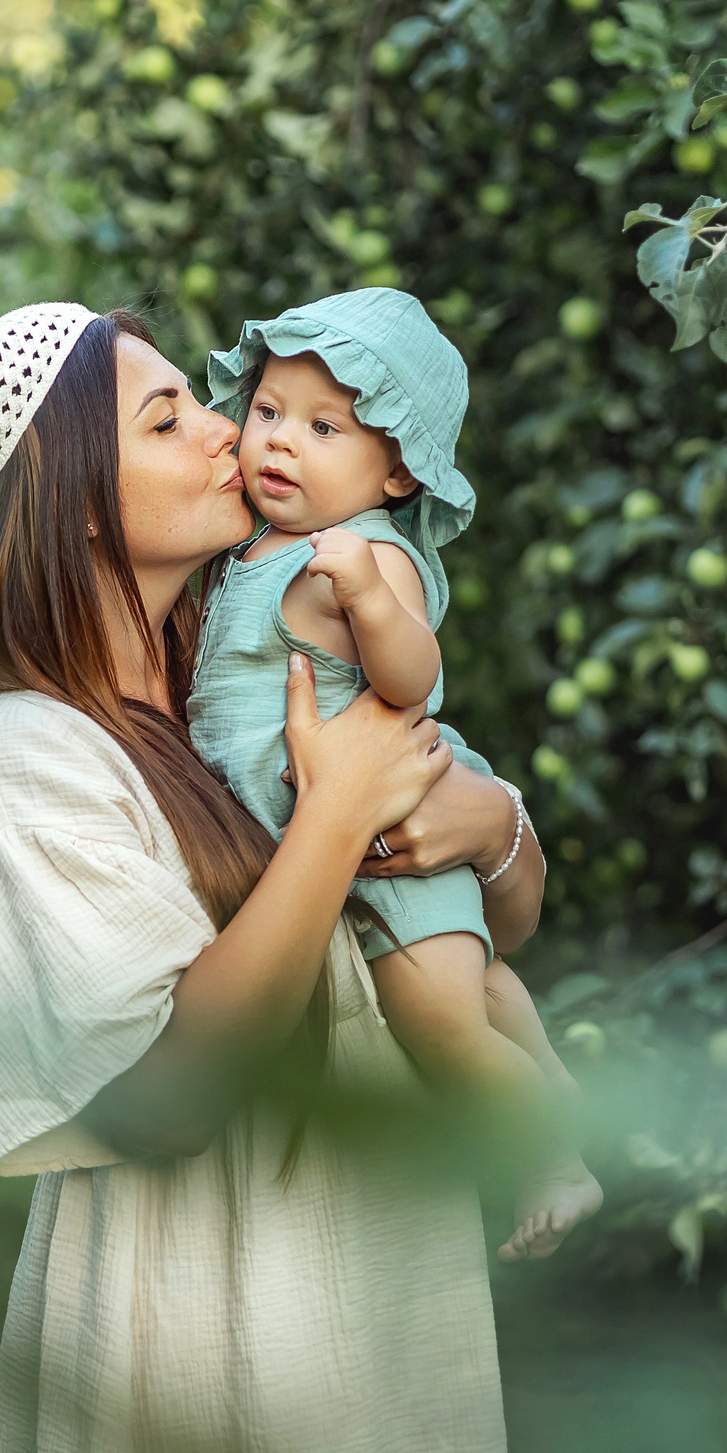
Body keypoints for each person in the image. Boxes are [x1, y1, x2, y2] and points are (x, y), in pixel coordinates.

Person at [0, 301, 539, 1453]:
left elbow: (473, 934)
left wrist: (498, 827)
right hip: (204, 1299)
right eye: (167, 416)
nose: (225, 432)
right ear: (76, 499)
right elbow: (168, 1084)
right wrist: (346, 813)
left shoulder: (238, 688)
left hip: (372, 1254)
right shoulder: (25, 753)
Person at [188, 287, 601, 1260]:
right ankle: (548, 1079)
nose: (279, 442)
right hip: (330, 836)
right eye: (267, 413)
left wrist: (369, 600)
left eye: (323, 427)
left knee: (439, 1019)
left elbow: (416, 676)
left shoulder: (371, 556)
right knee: (477, 990)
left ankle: (551, 1157)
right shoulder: (251, 549)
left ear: (399, 475)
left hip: (393, 835)